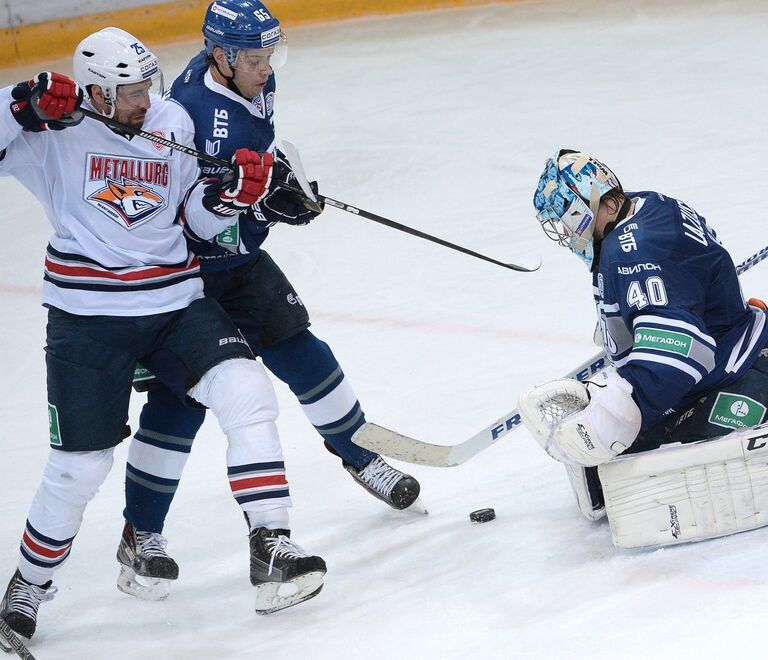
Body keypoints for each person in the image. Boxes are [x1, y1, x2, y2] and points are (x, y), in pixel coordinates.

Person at [0, 27, 327, 639]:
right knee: (79, 466)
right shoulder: (48, 133)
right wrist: (18, 102)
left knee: (248, 393)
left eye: (148, 87)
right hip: (87, 317)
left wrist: (231, 198)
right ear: (95, 93)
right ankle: (28, 584)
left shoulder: (170, 121)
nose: (145, 102)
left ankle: (272, 546)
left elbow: (193, 218)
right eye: (129, 93)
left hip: (176, 302)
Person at [116, 0, 421, 599]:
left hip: (242, 266)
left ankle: (360, 456)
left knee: (303, 352)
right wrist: (262, 212)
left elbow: (258, 160)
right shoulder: (185, 115)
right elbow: (189, 220)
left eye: (269, 53)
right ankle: (140, 534)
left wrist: (287, 188)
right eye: (254, 56)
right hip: (188, 277)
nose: (266, 66)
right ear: (219, 55)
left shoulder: (258, 82)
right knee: (180, 404)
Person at [518, 149, 768, 546]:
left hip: (737, 371)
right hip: (734, 346)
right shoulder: (648, 203)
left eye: (567, 220)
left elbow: (680, 350)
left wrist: (620, 408)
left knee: (617, 459)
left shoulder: (632, 251)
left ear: (600, 205)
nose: (567, 234)